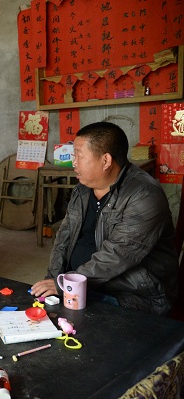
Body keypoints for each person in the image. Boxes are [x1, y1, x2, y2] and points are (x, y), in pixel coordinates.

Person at [30, 122, 179, 316]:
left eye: (79, 156)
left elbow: (118, 254)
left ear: (106, 160)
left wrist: (67, 284)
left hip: (132, 294)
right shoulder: (82, 190)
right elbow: (64, 238)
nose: (74, 162)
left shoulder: (144, 194)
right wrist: (53, 280)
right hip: (80, 285)